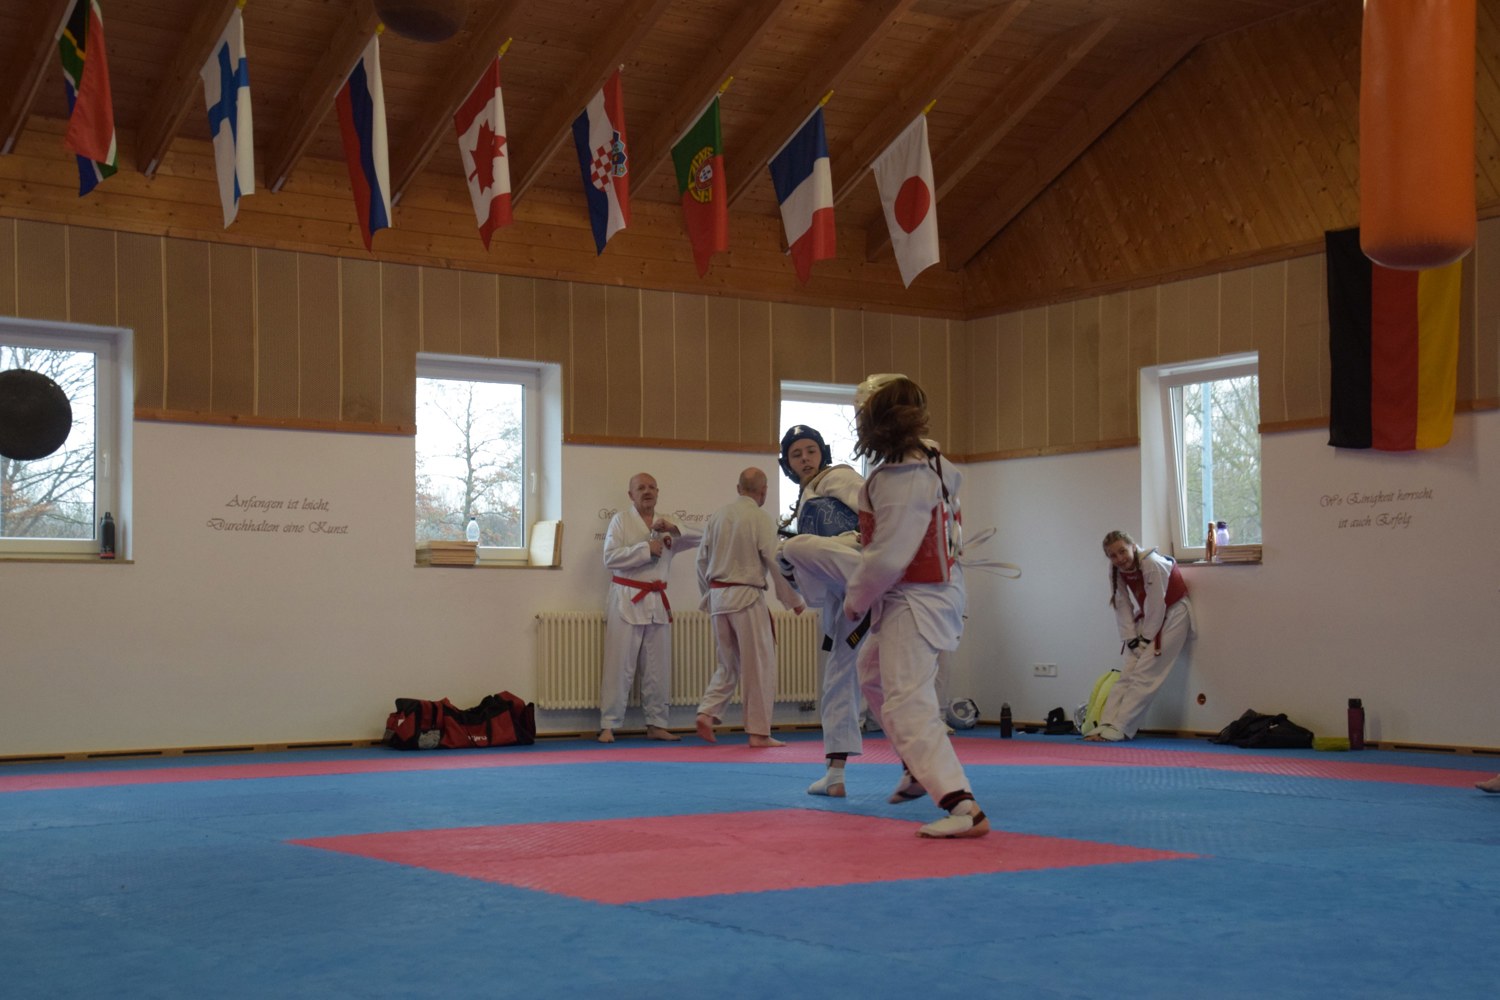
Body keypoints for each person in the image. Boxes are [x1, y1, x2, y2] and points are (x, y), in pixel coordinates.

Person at [842, 374, 989, 839]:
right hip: (928, 593)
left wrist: (855, 600)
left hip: (914, 599)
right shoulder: (931, 463)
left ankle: (961, 804)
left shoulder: (902, 476)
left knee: (908, 703)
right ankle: (916, 765)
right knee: (871, 674)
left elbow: (889, 556)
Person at [777, 424, 866, 796]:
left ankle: (918, 769)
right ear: (787, 464)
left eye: (810, 451)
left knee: (791, 548)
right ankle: (835, 774)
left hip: (864, 562)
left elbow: (871, 506)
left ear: (822, 453)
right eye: (796, 455)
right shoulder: (805, 499)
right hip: (845, 597)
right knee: (837, 681)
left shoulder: (837, 476)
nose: (805, 459)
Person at [694, 467, 805, 747]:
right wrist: (793, 600)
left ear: (738, 488)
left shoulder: (718, 516)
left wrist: (708, 596)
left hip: (718, 597)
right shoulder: (760, 517)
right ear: (764, 491)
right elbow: (773, 560)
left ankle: (708, 711)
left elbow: (701, 560)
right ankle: (759, 733)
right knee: (759, 665)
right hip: (746, 597)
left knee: (728, 663)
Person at [599, 472, 700, 743]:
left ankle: (657, 724)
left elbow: (701, 538)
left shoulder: (667, 522)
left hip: (657, 600)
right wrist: (645, 549)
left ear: (658, 492)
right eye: (641, 488)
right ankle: (608, 724)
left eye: (652, 487)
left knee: (657, 668)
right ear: (630, 495)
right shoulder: (620, 520)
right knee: (619, 665)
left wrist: (674, 528)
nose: (647, 492)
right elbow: (609, 558)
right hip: (626, 597)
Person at [1083, 530, 1194, 743]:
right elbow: (1121, 603)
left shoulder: (1152, 563)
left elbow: (1157, 605)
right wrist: (1131, 638)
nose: (1119, 559)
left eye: (1122, 551)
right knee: (1127, 673)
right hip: (1150, 617)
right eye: (1113, 555)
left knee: (1145, 673)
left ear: (1133, 547)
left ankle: (1122, 726)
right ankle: (1107, 723)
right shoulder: (1115, 570)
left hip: (1174, 614)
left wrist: (1145, 639)